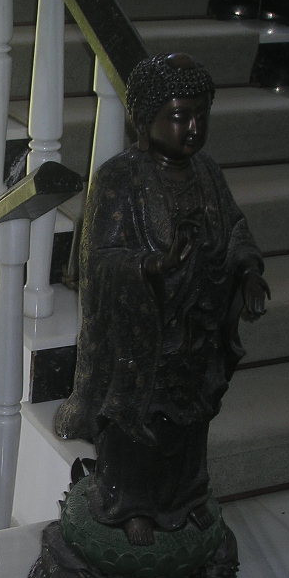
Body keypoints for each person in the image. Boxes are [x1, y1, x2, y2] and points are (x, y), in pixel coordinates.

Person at [54, 53, 269, 546]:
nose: (192, 128)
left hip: (198, 325)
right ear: (144, 121)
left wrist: (249, 271)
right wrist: (154, 265)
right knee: (139, 424)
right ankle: (129, 504)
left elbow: (234, 229)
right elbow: (99, 259)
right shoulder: (119, 178)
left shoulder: (207, 171)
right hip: (142, 334)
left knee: (190, 421)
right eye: (178, 116)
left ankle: (185, 497)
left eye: (200, 115)